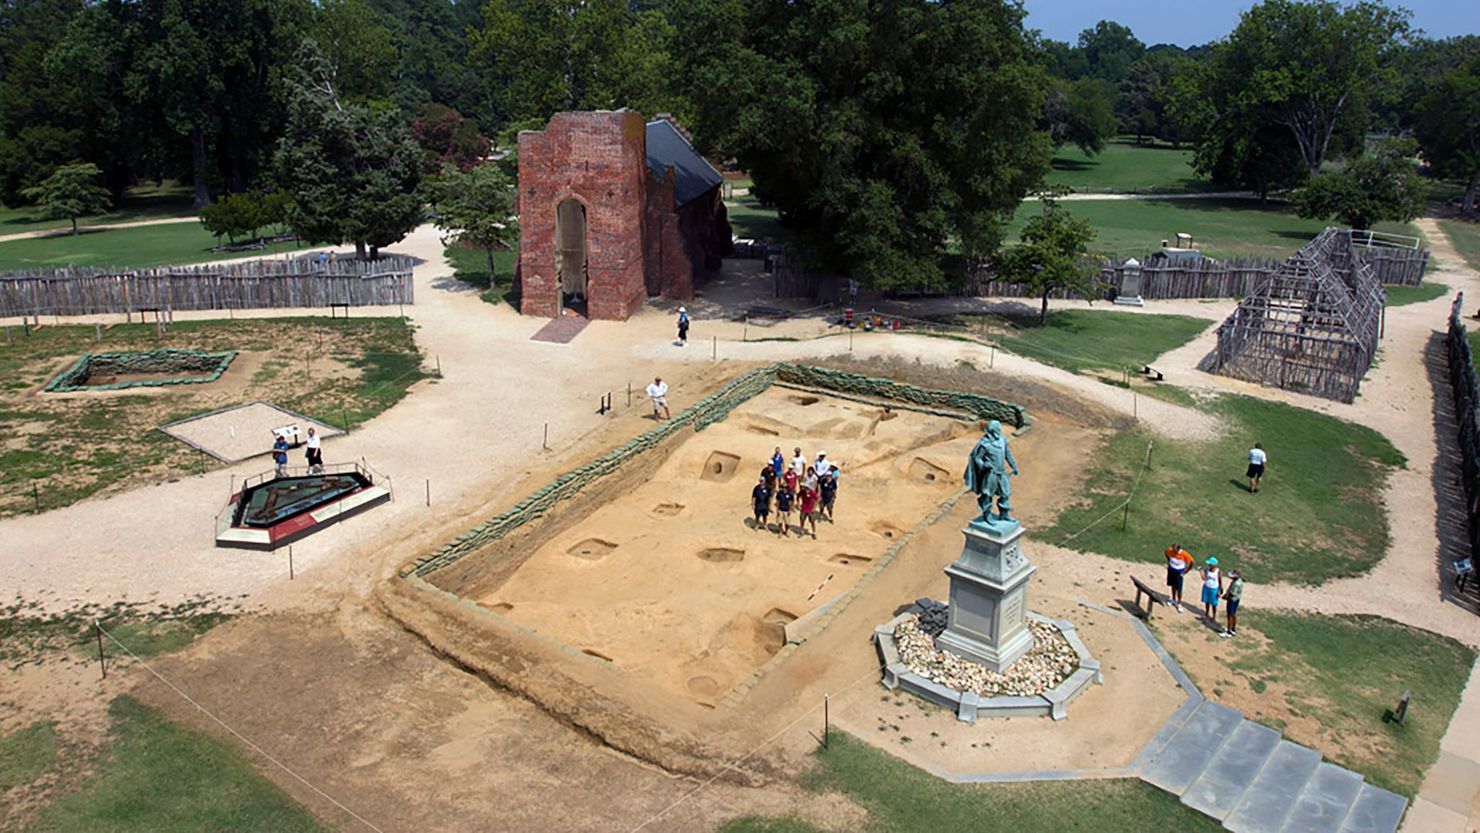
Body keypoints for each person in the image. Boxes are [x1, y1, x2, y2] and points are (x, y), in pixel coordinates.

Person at [964, 420, 1019, 526]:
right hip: (990, 474)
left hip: (1001, 473)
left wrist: (1014, 466)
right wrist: (984, 465)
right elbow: (977, 458)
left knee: (1005, 493)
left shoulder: (1003, 441)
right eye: (997, 429)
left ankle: (1004, 513)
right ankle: (987, 515)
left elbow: (1008, 455)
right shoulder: (985, 444)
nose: (999, 430)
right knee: (987, 495)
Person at [1165, 543, 1193, 612]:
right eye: (1173, 549)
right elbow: (1166, 553)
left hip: (1179, 572)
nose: (1173, 551)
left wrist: (1185, 571)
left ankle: (1179, 603)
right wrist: (1169, 561)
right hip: (1171, 570)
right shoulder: (1169, 550)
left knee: (1179, 588)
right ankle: (1173, 599)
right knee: (1173, 585)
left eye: (1175, 550)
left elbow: (1191, 562)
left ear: (1178, 549)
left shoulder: (1184, 554)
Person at [1222, 571, 1244, 638]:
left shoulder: (1236, 584)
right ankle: (1233, 629)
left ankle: (1228, 631)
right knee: (1233, 614)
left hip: (1232, 600)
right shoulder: (1239, 581)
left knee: (1230, 615)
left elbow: (1232, 594)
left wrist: (1225, 597)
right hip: (1236, 599)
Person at [1200, 557, 1223, 622]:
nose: (1209, 565)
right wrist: (1201, 572)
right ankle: (1206, 613)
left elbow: (1220, 581)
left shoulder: (1218, 571)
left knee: (1213, 603)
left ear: (1214, 564)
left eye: (1210, 564)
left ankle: (1214, 615)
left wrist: (1219, 590)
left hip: (1214, 588)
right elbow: (1204, 578)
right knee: (1206, 601)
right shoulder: (1207, 569)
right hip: (1206, 587)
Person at [798, 474, 819, 538]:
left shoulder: (812, 492)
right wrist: (798, 504)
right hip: (804, 508)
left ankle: (814, 532)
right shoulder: (802, 492)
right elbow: (797, 497)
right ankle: (801, 531)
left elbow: (817, 499)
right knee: (802, 520)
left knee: (812, 521)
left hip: (810, 509)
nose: (802, 487)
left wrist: (814, 507)